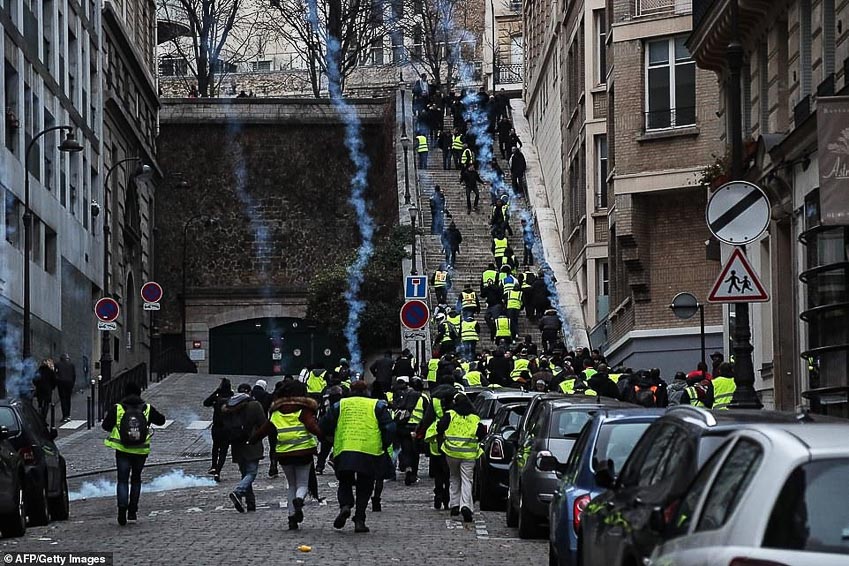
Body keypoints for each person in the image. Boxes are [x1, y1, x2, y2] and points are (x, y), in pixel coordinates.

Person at [320, 381, 395, 533]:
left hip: (345, 448)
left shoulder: (340, 405)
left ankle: (345, 506)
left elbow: (324, 424)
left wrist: (330, 439)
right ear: (367, 391)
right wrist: (384, 444)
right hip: (370, 450)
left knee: (345, 481)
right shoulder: (377, 405)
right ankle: (360, 519)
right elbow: (390, 427)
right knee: (365, 485)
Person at [251, 380, 321, 530]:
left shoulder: (276, 412)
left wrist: (252, 440)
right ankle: (299, 500)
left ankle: (291, 518)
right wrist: (325, 436)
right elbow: (313, 427)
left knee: (291, 485)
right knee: (302, 483)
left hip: (283, 453)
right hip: (303, 452)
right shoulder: (304, 410)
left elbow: (265, 429)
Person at [102, 382, 166, 525]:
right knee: (136, 479)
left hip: (122, 449)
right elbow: (161, 420)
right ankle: (132, 511)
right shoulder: (147, 408)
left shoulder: (118, 408)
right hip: (140, 450)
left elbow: (105, 426)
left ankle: (121, 510)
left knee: (123, 480)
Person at [436, 393, 485, 522]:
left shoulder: (450, 414)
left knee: (454, 477)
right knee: (467, 480)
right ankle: (466, 506)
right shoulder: (474, 418)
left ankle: (454, 504)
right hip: (469, 454)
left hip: (451, 452)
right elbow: (481, 433)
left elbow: (439, 427)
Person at [223, 383, 267, 514]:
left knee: (245, 474)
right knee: (251, 472)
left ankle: (250, 503)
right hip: (252, 443)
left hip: (237, 443)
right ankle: (238, 492)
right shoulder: (254, 405)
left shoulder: (230, 406)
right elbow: (263, 423)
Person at [203, 378, 233, 481]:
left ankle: (214, 466)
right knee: (223, 451)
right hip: (227, 428)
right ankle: (218, 471)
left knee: (215, 447)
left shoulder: (217, 398)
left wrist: (216, 391)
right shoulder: (232, 398)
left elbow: (206, 403)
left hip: (217, 427)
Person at [55, 354, 76, 423]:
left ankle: (64, 415)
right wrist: (72, 383)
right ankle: (68, 415)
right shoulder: (71, 365)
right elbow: (74, 375)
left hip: (61, 383)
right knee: (68, 399)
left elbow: (55, 374)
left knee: (63, 399)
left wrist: (57, 381)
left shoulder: (57, 364)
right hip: (69, 383)